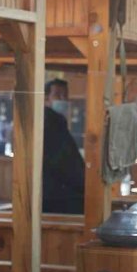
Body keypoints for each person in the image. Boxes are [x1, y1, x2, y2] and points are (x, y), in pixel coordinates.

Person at [43, 79, 85, 214]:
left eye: (65, 95)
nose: (62, 99)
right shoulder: (50, 122)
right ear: (46, 99)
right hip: (58, 196)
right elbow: (65, 160)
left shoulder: (57, 121)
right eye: (57, 95)